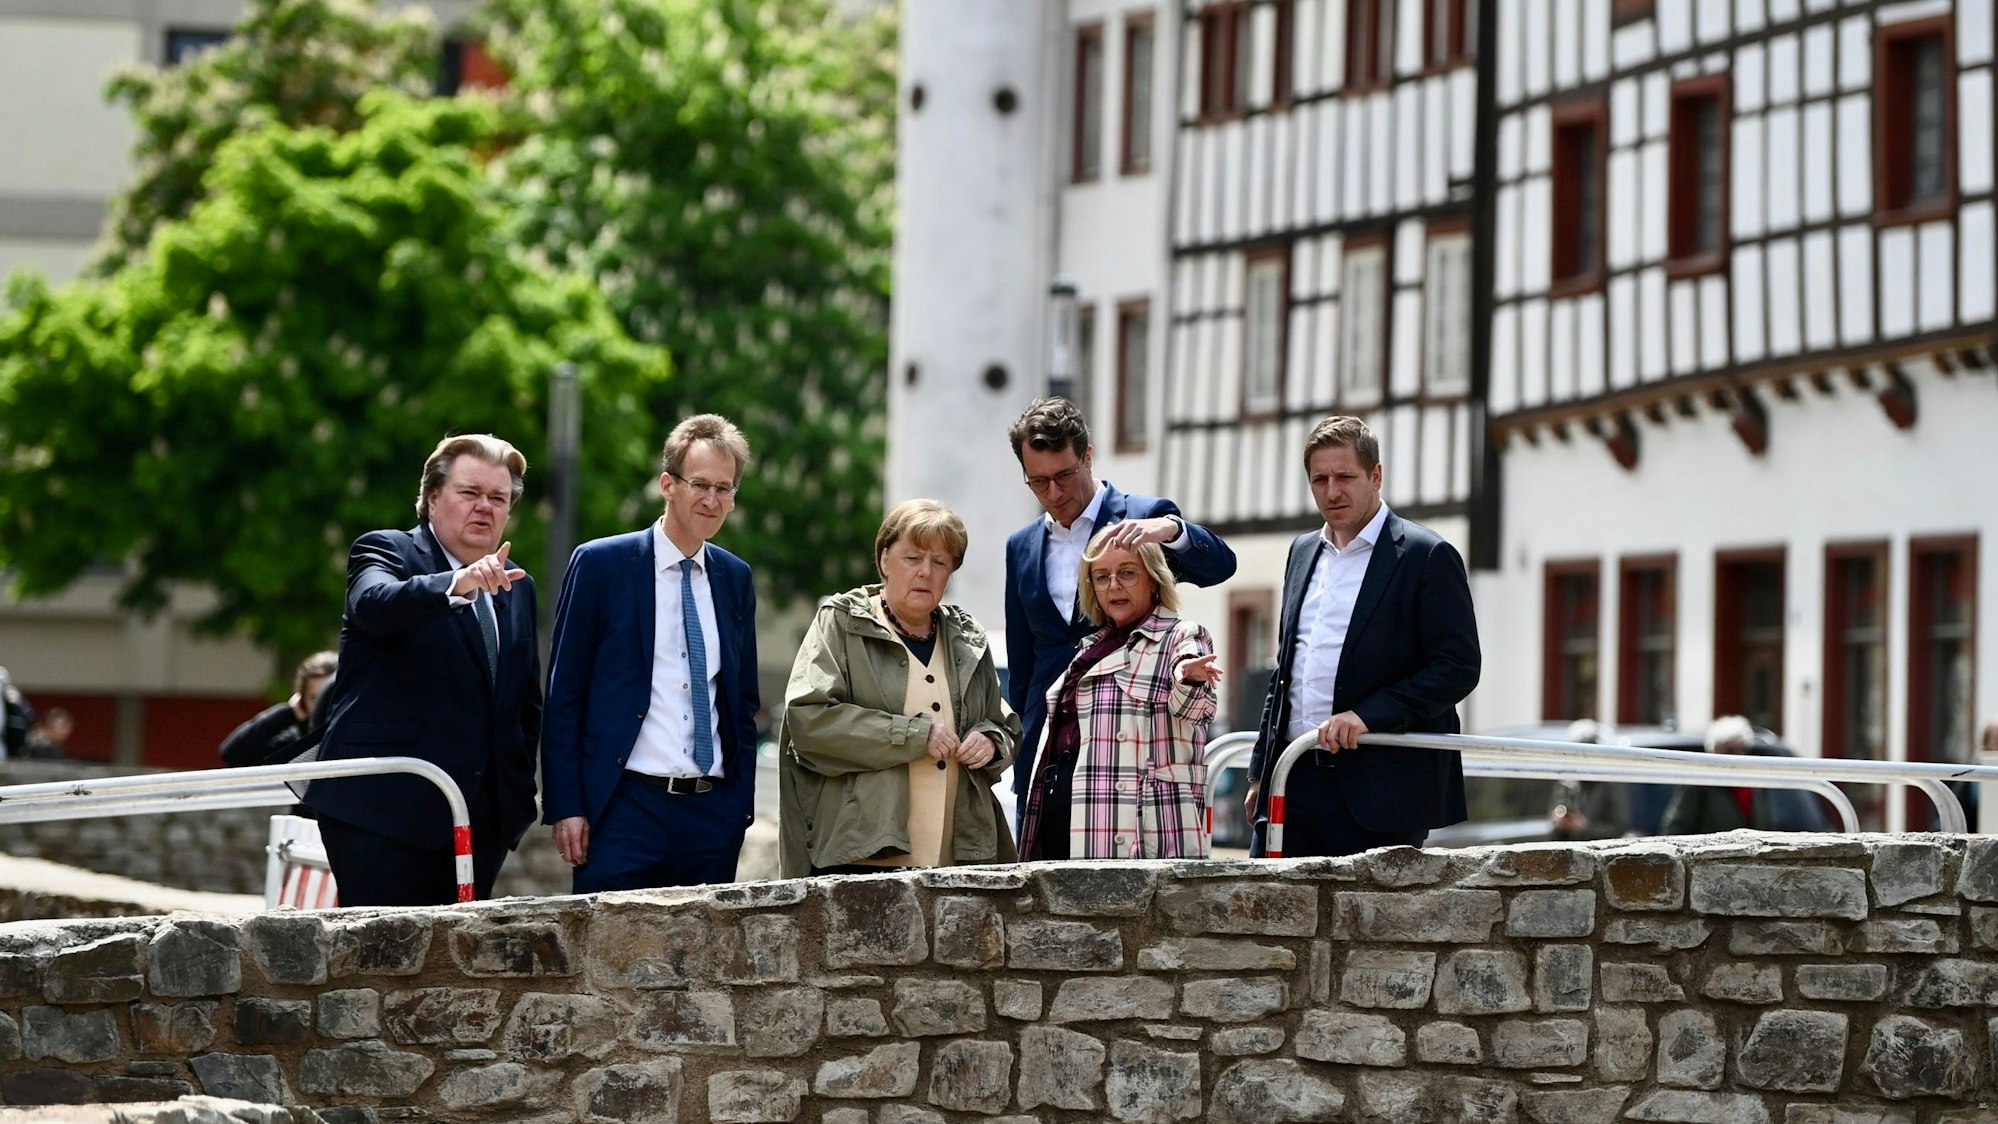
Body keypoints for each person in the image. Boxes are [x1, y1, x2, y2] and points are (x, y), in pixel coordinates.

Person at [301, 434, 543, 906]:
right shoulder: (387, 551)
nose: (485, 508)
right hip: (383, 814)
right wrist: (457, 583)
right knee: (384, 969)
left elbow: (523, 703)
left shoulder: (517, 585)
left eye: (498, 499)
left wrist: (513, 799)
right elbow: (374, 604)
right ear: (433, 497)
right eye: (469, 493)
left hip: (479, 825)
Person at [540, 415, 762, 892]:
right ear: (667, 484)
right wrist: (568, 805)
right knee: (609, 957)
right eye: (700, 484)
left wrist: (737, 808)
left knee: (706, 963)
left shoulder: (735, 578)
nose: (712, 500)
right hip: (623, 808)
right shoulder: (602, 564)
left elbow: (742, 700)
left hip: (711, 814)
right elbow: (564, 694)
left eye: (725, 489)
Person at [1244, 415, 1481, 858]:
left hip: (1380, 791)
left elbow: (1458, 668)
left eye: (1345, 477)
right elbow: (1287, 671)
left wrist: (1368, 716)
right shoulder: (1301, 551)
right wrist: (1261, 771)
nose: (1332, 491)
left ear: (1376, 476)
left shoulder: (1426, 556)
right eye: (1320, 479)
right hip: (1291, 780)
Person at [1004, 398, 1236, 821]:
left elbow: (1221, 565)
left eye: (1063, 476)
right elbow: (1023, 668)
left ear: (1088, 457)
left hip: (1127, 757)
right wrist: (1022, 750)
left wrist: (1171, 530)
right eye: (1038, 482)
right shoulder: (1020, 546)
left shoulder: (1144, 517)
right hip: (1047, 754)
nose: (1053, 494)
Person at [779, 500, 1018, 877]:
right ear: (885, 560)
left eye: (940, 563)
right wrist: (913, 735)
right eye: (913, 558)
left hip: (961, 858)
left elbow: (1003, 724)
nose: (926, 572)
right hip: (865, 856)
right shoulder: (842, 624)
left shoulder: (966, 638)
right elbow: (809, 721)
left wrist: (990, 741)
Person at [1018, 528, 1223, 861]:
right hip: (1065, 820)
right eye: (1101, 577)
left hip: (1137, 836)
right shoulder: (1088, 648)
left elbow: (1194, 709)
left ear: (1154, 579)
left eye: (1127, 573)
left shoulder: (1181, 635)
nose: (1113, 585)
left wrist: (1189, 678)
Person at [1660, 715, 1834, 835]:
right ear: (1715, 751)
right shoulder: (1700, 784)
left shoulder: (1754, 783)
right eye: (1730, 750)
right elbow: (1675, 828)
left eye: (1743, 749)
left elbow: (1768, 825)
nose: (1738, 756)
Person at [220, 651, 337, 768]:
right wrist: (288, 712)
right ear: (302, 701)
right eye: (314, 698)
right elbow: (233, 754)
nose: (323, 704)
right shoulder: (293, 741)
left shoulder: (352, 736)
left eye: (329, 696)